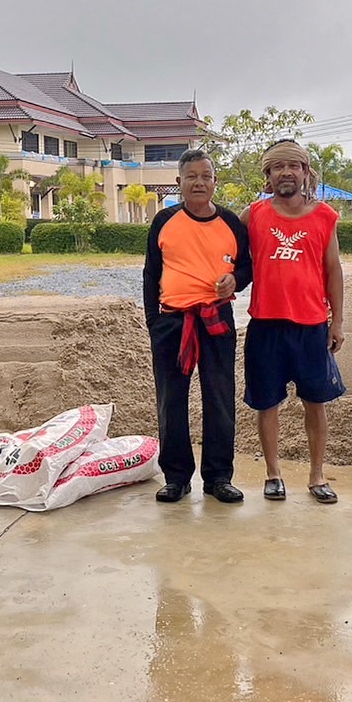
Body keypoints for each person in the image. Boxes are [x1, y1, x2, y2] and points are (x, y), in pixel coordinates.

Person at [142, 150, 252, 504]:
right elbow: (150, 275)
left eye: (206, 176)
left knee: (219, 399)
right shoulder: (164, 221)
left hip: (216, 321)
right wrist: (154, 323)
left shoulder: (232, 224)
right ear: (179, 183)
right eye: (192, 176)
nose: (199, 182)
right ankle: (176, 477)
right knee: (171, 401)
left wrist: (234, 279)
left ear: (215, 182)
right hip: (172, 321)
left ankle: (218, 477)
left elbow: (248, 269)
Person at [241, 139, 346, 504]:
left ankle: (317, 476)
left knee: (315, 403)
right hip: (265, 325)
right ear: (268, 176)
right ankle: (273, 473)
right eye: (278, 167)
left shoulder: (325, 216)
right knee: (267, 403)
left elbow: (333, 270)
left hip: (311, 326)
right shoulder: (252, 214)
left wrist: (338, 321)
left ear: (305, 172)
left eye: (294, 166)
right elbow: (229, 255)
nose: (286, 172)